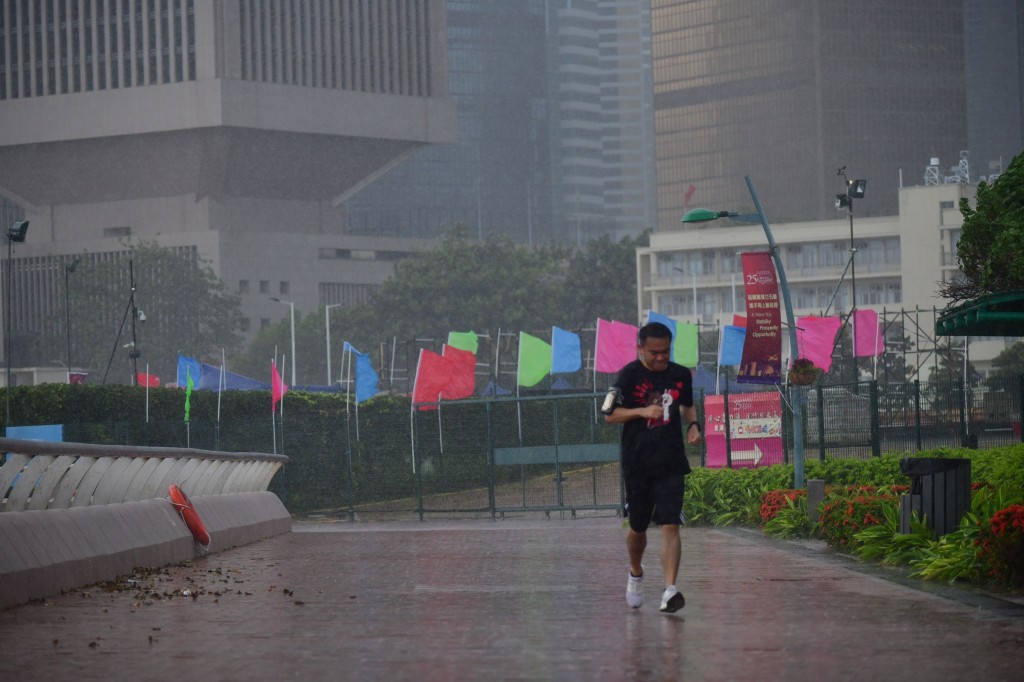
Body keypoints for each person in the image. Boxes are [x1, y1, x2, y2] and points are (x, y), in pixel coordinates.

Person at [603, 322, 701, 613]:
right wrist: (641, 411)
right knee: (638, 527)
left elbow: (687, 405)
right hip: (638, 464)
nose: (661, 358)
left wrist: (693, 426)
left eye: (665, 352)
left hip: (671, 461)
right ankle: (635, 571)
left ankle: (670, 590)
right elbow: (609, 415)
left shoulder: (681, 374)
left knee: (671, 523)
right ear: (641, 348)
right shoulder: (628, 375)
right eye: (654, 353)